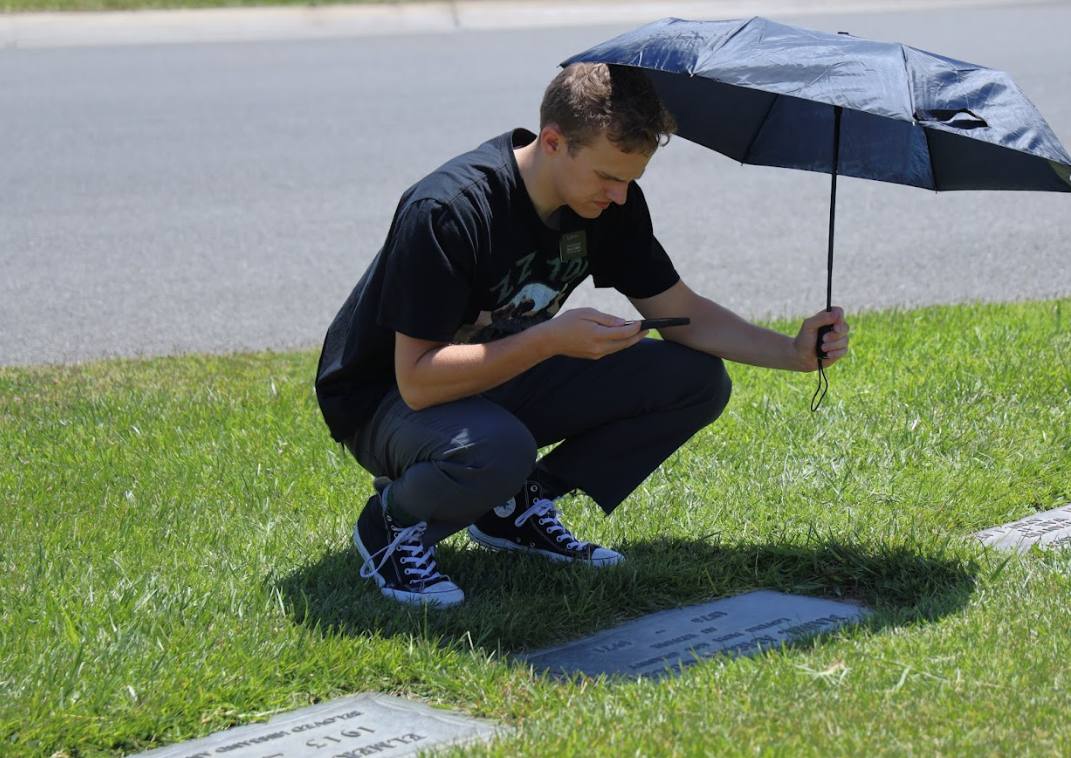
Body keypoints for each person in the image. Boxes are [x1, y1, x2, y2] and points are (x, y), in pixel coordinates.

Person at [315, 62, 850, 607]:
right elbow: (418, 382)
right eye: (607, 177)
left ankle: (514, 509)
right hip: (384, 400)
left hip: (491, 376)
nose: (619, 195)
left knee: (693, 380)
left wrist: (791, 352)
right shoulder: (449, 210)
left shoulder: (606, 205)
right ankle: (393, 523)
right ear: (553, 141)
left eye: (630, 181)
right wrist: (549, 340)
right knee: (501, 449)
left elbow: (683, 309)